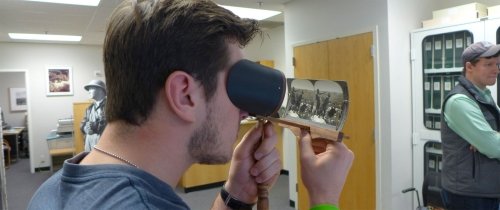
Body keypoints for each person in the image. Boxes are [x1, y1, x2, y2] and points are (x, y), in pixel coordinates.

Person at [28, 0, 354, 210]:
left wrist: (236, 193)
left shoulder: (58, 188)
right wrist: (324, 199)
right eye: (237, 87)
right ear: (184, 94)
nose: (244, 110)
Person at [441, 41, 500, 210]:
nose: (496, 70)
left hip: (485, 190)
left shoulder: (484, 95)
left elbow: (491, 142)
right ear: (469, 67)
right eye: (488, 64)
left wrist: (486, 139)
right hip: (468, 196)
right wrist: (489, 140)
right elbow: (495, 146)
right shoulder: (459, 101)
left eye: (497, 64)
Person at [79, 79, 107, 152]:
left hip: (104, 144)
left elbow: (114, 125)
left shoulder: (110, 106)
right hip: (89, 144)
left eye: (91, 88)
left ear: (100, 90)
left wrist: (96, 126)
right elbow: (82, 123)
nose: (89, 91)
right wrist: (85, 128)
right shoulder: (89, 108)